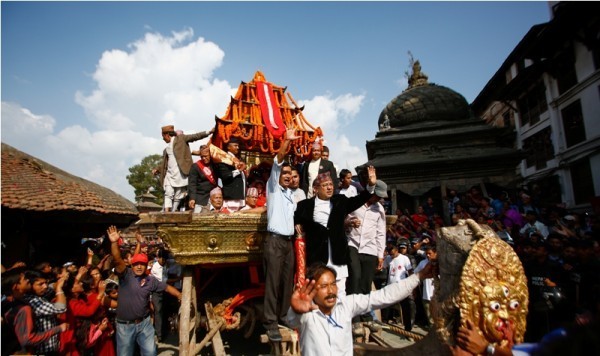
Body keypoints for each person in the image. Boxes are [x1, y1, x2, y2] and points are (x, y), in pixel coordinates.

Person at [287, 261, 434, 356]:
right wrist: (296, 310)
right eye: (324, 286)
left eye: (333, 284)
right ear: (312, 288)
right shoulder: (306, 314)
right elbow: (292, 321)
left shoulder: (346, 305)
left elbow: (385, 296)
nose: (331, 290)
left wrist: (418, 277)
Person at [294, 166, 378, 298]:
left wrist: (370, 186)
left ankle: (341, 319)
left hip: (338, 256)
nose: (329, 187)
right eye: (325, 185)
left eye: (330, 184)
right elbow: (295, 219)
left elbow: (359, 200)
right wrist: (297, 223)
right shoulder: (304, 206)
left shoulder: (340, 201)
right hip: (318, 258)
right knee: (318, 294)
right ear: (316, 189)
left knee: (340, 293)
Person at [106, 225, 182, 356]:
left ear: (146, 265)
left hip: (144, 323)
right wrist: (114, 243)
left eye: (142, 264)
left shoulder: (150, 280)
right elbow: (117, 259)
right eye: (136, 264)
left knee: (151, 353)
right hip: (125, 326)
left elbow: (166, 287)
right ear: (132, 265)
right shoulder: (126, 275)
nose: (139, 267)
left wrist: (179, 294)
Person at [263, 127, 300, 342]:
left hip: (288, 243)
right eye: (284, 173)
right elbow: (278, 160)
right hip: (275, 242)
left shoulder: (290, 195)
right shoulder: (274, 188)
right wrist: (286, 140)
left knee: (287, 282)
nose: (287, 176)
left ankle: (284, 316)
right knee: (273, 283)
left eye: (290, 174)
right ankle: (270, 322)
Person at [345, 180, 388, 334]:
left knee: (366, 283)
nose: (378, 199)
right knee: (355, 278)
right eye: (377, 195)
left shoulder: (380, 210)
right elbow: (343, 218)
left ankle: (365, 315)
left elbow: (381, 232)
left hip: (370, 248)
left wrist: (380, 253)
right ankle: (354, 317)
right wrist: (349, 222)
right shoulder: (355, 202)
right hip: (353, 244)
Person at [1, 268, 69, 355]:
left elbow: (50, 288)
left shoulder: (9, 301)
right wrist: (58, 329)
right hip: (41, 351)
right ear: (16, 286)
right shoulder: (26, 306)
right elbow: (28, 339)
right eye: (25, 279)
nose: (28, 280)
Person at [153, 124, 214, 212]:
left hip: (181, 173)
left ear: (166, 135)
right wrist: (157, 169)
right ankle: (166, 212)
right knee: (168, 193)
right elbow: (165, 163)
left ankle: (173, 212)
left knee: (178, 195)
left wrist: (209, 132)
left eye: (163, 136)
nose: (163, 139)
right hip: (170, 174)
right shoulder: (166, 149)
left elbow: (195, 136)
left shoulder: (181, 139)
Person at [24, 269, 69, 355]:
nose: (45, 286)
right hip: (43, 350)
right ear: (29, 285)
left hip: (51, 348)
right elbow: (61, 308)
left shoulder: (39, 295)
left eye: (45, 283)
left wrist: (61, 280)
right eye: (40, 284)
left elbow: (51, 287)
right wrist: (59, 288)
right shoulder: (33, 301)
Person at [216, 137, 247, 211]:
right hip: (231, 198)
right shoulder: (224, 159)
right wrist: (238, 171)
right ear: (228, 147)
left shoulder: (237, 159)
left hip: (240, 197)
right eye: (235, 145)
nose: (238, 148)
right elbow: (225, 176)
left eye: (238, 146)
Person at [188, 144, 218, 213]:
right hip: (200, 198)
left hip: (213, 197)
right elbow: (192, 184)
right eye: (202, 156)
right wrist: (192, 198)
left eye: (206, 156)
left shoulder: (215, 165)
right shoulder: (195, 166)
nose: (204, 158)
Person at [414, 245, 437, 329]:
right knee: (429, 315)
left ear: (435, 253)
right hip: (426, 294)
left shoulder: (441, 264)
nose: (428, 255)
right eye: (427, 253)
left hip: (437, 295)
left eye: (430, 253)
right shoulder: (422, 263)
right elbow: (415, 273)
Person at [150, 249, 168, 342]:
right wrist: (177, 278)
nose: (164, 262)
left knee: (162, 312)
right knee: (158, 313)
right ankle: (159, 335)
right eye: (163, 260)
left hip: (163, 291)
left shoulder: (164, 265)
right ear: (159, 258)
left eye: (165, 260)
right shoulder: (156, 267)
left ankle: (162, 331)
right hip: (157, 292)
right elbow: (163, 282)